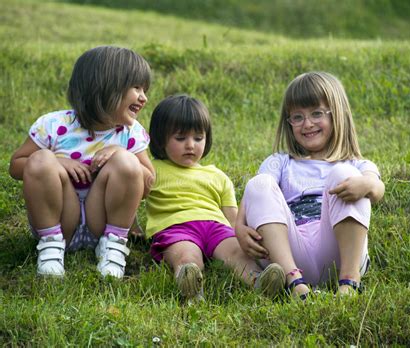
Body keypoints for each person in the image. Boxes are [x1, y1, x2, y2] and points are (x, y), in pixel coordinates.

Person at [9, 46, 155, 279]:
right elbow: (17, 166)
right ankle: (50, 246)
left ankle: (113, 247)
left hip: (104, 222)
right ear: (106, 85)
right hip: (60, 220)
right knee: (41, 158)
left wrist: (120, 153)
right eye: (136, 87)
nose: (143, 97)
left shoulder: (130, 133)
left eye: (144, 90)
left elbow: (148, 185)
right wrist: (58, 162)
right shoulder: (54, 125)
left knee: (128, 162)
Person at [235, 71, 385, 298]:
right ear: (289, 122)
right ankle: (295, 284)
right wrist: (239, 227)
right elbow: (252, 199)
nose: (307, 124)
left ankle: (349, 283)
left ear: (337, 115)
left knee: (345, 173)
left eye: (317, 113)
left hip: (337, 252)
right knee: (259, 182)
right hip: (290, 254)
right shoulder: (280, 163)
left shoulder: (355, 163)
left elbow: (377, 188)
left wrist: (366, 185)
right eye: (297, 117)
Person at [146, 94, 285, 301]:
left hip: (215, 227)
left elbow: (232, 218)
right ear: (160, 139)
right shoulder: (152, 170)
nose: (190, 145)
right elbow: (129, 198)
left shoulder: (217, 176)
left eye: (198, 138)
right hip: (176, 226)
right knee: (187, 256)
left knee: (237, 254)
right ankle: (191, 285)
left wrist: (242, 234)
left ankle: (259, 281)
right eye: (180, 138)